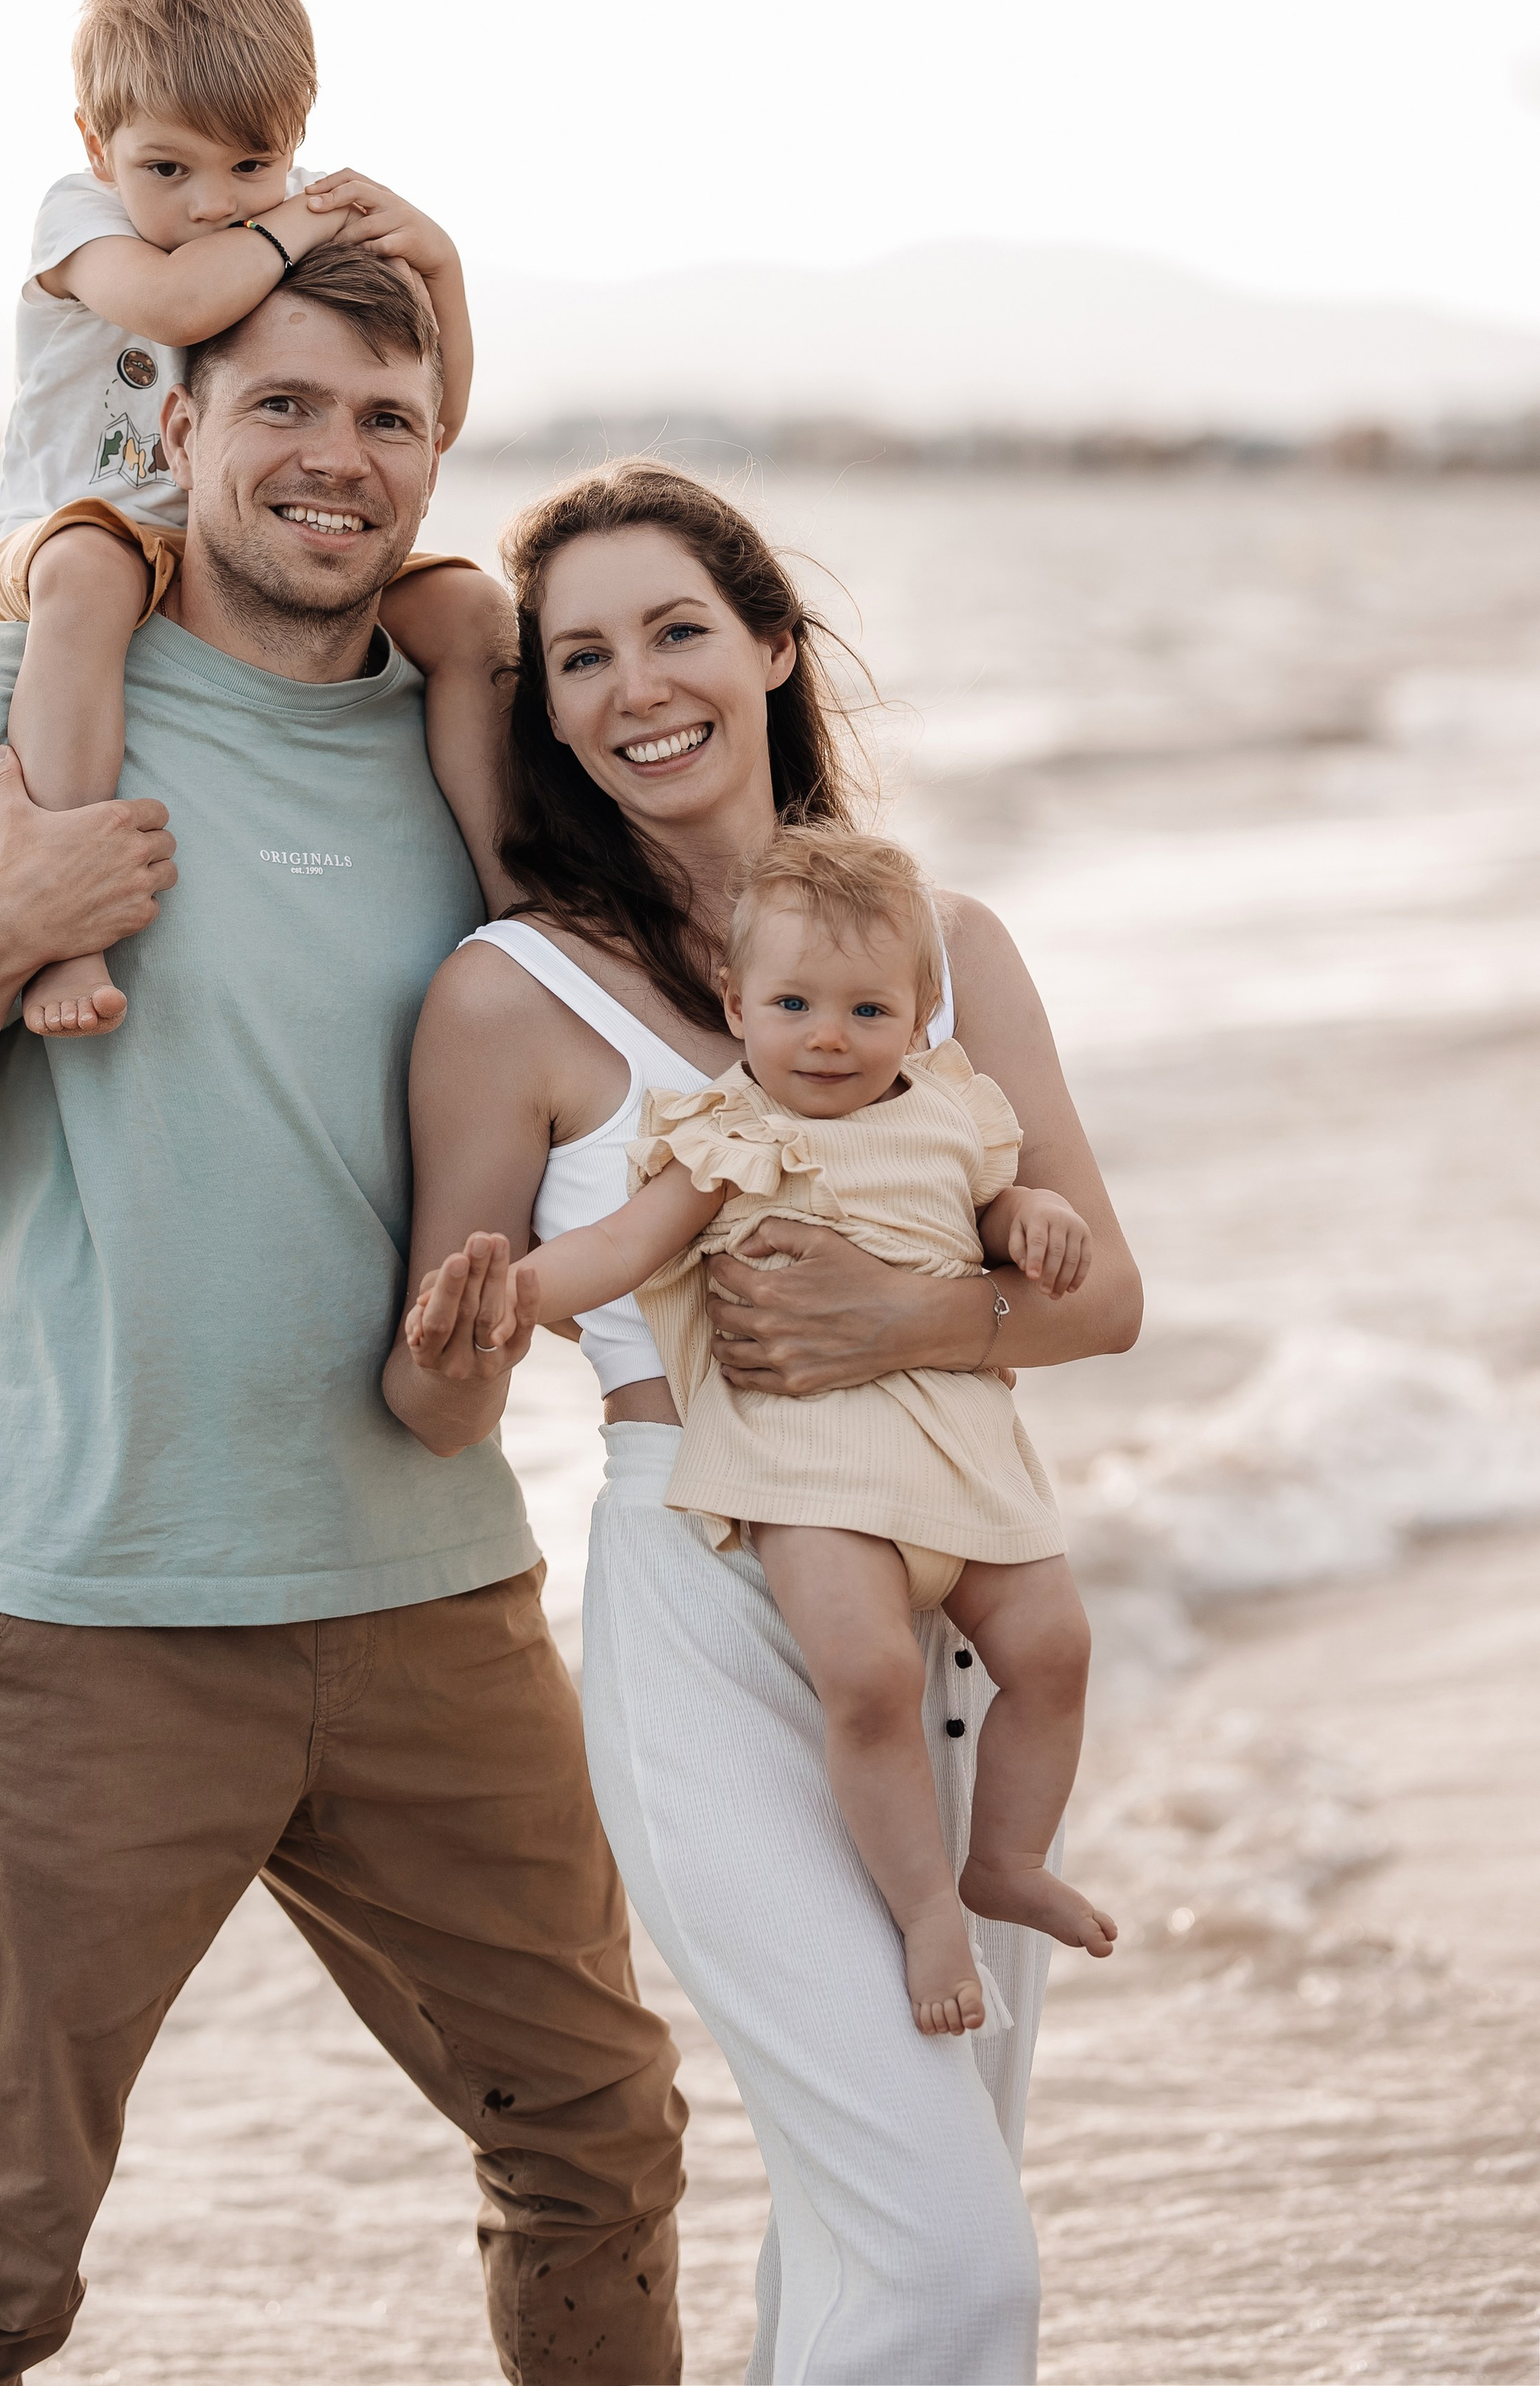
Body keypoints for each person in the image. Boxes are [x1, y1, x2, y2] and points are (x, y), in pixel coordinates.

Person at [0, 257, 686, 2386]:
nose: (338, 455)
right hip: (87, 1625)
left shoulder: (480, 764)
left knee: (602, 2150)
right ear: (174, 428)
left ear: (438, 461)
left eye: (392, 419)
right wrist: (5, 930)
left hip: (438, 1601)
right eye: (287, 404)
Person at [385, 462, 1144, 2384]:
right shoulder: (512, 995)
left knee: (887, 2214)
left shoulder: (948, 948)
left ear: (770, 647)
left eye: (676, 630)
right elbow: (427, 1381)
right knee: (949, 2257)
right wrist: (464, 1344)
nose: (637, 684)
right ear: (543, 709)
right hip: (705, 1600)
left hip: (952, 1576)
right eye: (578, 655)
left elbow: (1102, 1297)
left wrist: (909, 1313)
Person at [410, 820, 1117, 2043]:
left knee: (1053, 1650)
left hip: (960, 1448)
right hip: (812, 1469)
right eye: (794, 1005)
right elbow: (621, 1248)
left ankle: (1006, 1858)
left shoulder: (954, 1114)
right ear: (737, 1007)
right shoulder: (728, 1135)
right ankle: (925, 1911)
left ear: (920, 1015)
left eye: (865, 1012)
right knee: (871, 1675)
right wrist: (516, 1292)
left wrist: (1038, 1217)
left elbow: (1004, 1217)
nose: (829, 1039)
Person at [0, 0, 500, 1037]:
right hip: (63, 527)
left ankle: (523, 917)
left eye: (252, 163)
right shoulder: (85, 221)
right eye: (168, 168)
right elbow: (173, 298)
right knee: (95, 579)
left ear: (295, 139)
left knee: (466, 611)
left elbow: (438, 410)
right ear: (96, 144)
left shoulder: (270, 229)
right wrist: (294, 221)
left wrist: (444, 267)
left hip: (213, 533)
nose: (210, 203)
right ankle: (64, 918)